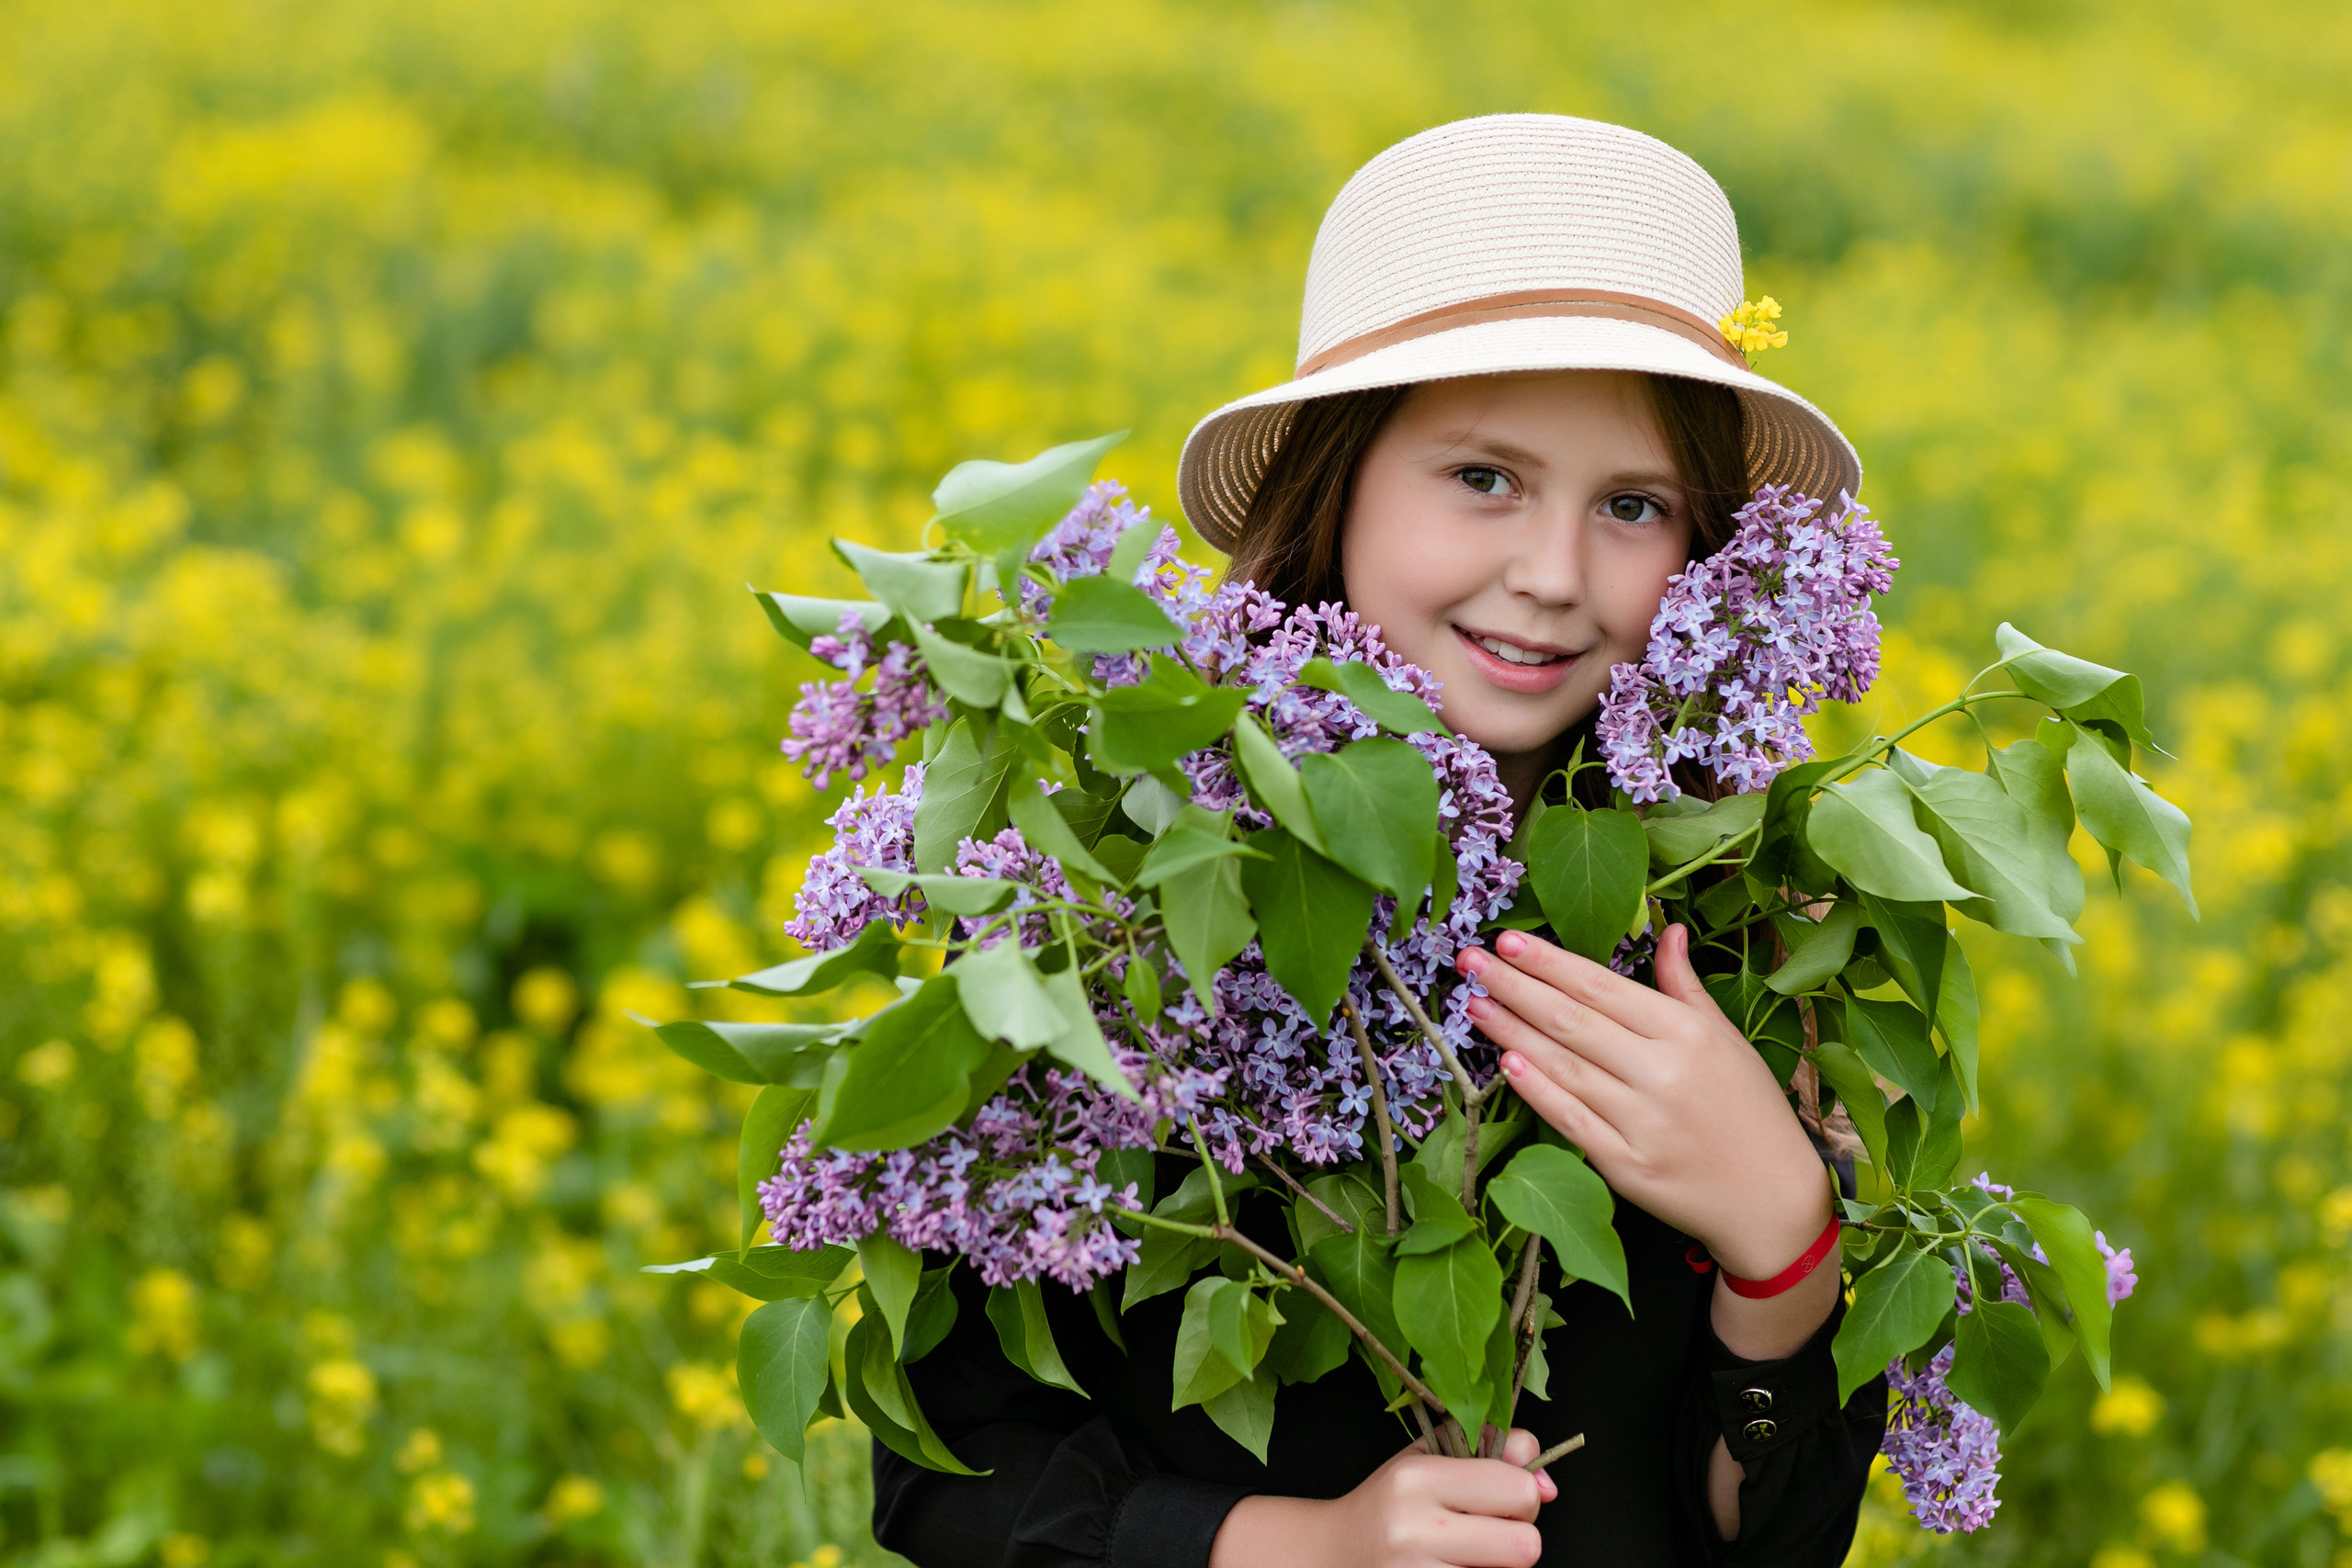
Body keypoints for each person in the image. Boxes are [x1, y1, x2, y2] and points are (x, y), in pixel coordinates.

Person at [871, 113, 1886, 1568]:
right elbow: (945, 1473)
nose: (1549, 576)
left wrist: (1782, 1241)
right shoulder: (1111, 887)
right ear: (1340, 482)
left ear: (1709, 548)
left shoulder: (1744, 920)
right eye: (1484, 477)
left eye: (1632, 505)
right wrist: (1299, 1547)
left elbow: (1769, 1540)